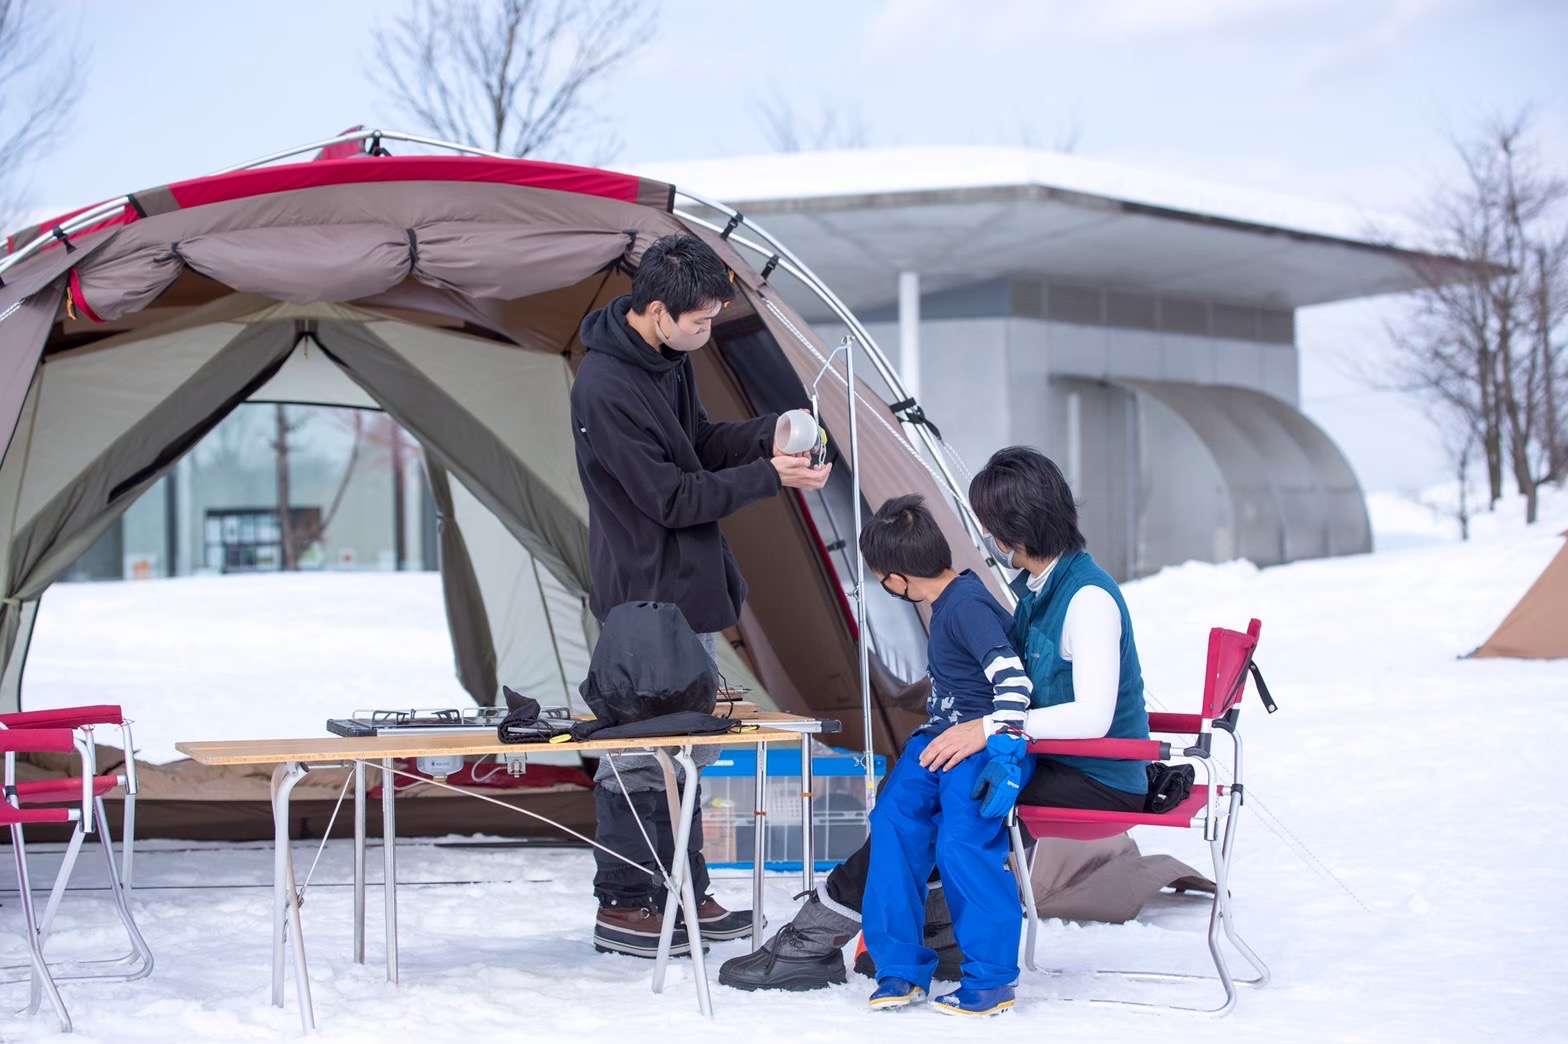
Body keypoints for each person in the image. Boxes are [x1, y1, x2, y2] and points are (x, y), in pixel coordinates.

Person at [719, 446, 1150, 993]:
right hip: (1043, 747)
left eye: (990, 525)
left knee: (943, 808)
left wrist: (985, 729)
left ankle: (815, 940)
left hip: (1097, 776)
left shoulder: (1087, 599)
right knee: (906, 807)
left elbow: (1093, 716)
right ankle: (928, 938)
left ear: (1010, 532)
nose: (985, 536)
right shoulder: (1039, 591)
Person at [571, 233, 832, 958]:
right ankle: (624, 905)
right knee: (638, 753)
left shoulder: (668, 362)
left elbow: (698, 444)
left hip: (689, 589)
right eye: (701, 321)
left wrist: (765, 437)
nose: (706, 331)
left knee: (688, 751)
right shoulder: (603, 386)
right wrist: (771, 477)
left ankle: (685, 889)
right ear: (656, 310)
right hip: (641, 597)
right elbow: (669, 496)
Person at [857, 495, 1032, 1017]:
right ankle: (901, 969)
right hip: (939, 738)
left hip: (983, 744)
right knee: (891, 822)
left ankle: (993, 978)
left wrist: (1001, 752)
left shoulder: (968, 607)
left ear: (896, 578)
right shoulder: (946, 601)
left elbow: (1015, 685)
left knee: (961, 840)